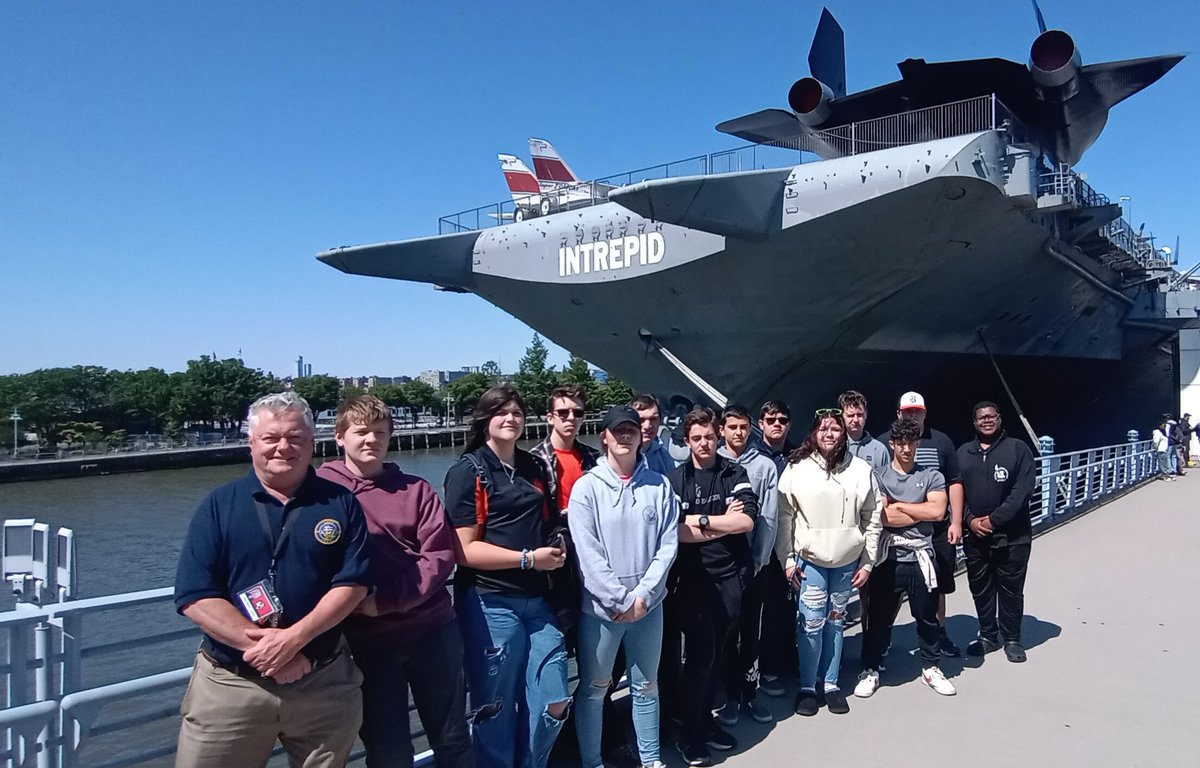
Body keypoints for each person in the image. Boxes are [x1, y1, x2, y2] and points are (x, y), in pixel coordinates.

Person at [174, 392, 370, 768]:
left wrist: (295, 641)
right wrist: (274, 654)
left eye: (296, 438)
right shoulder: (218, 505)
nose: (284, 447)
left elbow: (353, 584)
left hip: (321, 681)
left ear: (312, 443)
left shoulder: (341, 503)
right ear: (251, 443)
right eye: (271, 438)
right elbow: (195, 595)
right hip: (231, 684)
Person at [317, 395, 473, 768]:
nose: (371, 440)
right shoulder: (320, 492)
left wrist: (383, 600)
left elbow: (438, 558)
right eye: (361, 432)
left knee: (452, 737)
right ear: (339, 437)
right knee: (388, 750)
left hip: (432, 632)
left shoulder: (416, 490)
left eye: (380, 432)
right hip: (365, 642)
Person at [444, 386, 571, 768]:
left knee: (554, 698)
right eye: (501, 412)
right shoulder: (469, 471)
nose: (510, 418)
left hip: (538, 602)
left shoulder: (533, 467)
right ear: (485, 419)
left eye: (517, 412)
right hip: (490, 602)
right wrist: (529, 559)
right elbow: (463, 550)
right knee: (495, 707)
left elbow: (549, 520)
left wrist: (558, 543)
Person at [568, 405, 679, 768]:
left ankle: (650, 759)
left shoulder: (659, 485)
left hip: (649, 607)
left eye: (631, 429)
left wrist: (644, 595)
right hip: (601, 610)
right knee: (595, 689)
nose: (626, 435)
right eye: (618, 430)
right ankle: (592, 761)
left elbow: (667, 545)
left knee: (647, 686)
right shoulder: (586, 489)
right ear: (605, 436)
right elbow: (588, 552)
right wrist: (618, 598)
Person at [666, 407, 759, 767]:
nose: (703, 444)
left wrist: (701, 521)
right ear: (686, 440)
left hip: (730, 578)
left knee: (718, 654)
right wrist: (721, 520)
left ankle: (705, 722)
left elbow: (746, 520)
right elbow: (674, 531)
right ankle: (689, 735)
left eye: (708, 437)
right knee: (700, 658)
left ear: (718, 435)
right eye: (696, 438)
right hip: (693, 583)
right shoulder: (675, 480)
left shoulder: (735, 472)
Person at [776, 408, 882, 716]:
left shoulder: (861, 470)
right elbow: (785, 517)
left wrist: (867, 562)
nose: (829, 434)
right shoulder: (796, 468)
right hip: (810, 560)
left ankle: (831, 684)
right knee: (810, 624)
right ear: (813, 433)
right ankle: (808, 686)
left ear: (844, 433)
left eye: (835, 428)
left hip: (847, 560)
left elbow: (872, 517)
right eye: (823, 428)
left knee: (836, 622)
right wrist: (787, 559)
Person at [855, 418, 957, 698]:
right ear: (892, 444)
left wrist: (900, 506)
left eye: (911, 442)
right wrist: (918, 507)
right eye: (901, 442)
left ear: (918, 443)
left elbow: (938, 513)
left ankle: (931, 667)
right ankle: (871, 668)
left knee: (926, 617)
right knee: (878, 616)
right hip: (889, 558)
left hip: (921, 556)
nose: (906, 448)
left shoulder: (933, 475)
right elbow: (883, 515)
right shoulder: (879, 476)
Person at [958, 401, 1037, 664]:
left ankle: (1012, 638)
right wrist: (969, 520)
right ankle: (988, 635)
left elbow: (1022, 491)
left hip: (1013, 537)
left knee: (1011, 589)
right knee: (980, 588)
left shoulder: (1018, 449)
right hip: (975, 538)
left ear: (1000, 418)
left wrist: (993, 521)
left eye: (992, 416)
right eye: (981, 417)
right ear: (974, 422)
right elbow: (956, 492)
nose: (987, 421)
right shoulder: (963, 453)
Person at [715, 404, 778, 726]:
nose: (738, 433)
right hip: (721, 567)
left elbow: (767, 517)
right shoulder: (713, 464)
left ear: (750, 428)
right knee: (726, 632)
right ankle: (729, 694)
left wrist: (760, 559)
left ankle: (751, 691)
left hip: (753, 566)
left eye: (743, 427)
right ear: (722, 430)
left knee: (751, 632)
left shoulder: (765, 467)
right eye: (732, 427)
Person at [896, 391, 964, 657]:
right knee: (891, 589)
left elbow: (954, 481)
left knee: (938, 585)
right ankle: (882, 637)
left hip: (936, 531)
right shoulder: (886, 443)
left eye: (917, 411)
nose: (913, 415)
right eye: (908, 412)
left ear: (924, 413)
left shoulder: (942, 442)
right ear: (899, 413)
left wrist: (956, 521)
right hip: (899, 533)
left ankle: (940, 631)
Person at [753, 399, 799, 698]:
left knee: (789, 606)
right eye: (771, 420)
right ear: (761, 424)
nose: (777, 424)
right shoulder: (754, 458)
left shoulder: (797, 455)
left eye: (782, 420)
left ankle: (787, 660)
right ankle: (766, 667)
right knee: (765, 610)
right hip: (765, 545)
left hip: (793, 541)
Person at [530, 384, 601, 515]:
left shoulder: (594, 457)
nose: (571, 418)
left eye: (577, 413)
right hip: (555, 531)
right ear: (550, 418)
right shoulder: (534, 459)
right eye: (563, 413)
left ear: (583, 418)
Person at [838, 390, 889, 470]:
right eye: (850, 415)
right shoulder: (835, 447)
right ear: (842, 417)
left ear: (866, 414)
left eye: (859, 415)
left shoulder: (879, 450)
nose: (856, 420)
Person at [632, 393, 677, 476]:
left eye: (653, 419)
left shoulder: (664, 456)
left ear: (660, 420)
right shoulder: (621, 456)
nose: (647, 426)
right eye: (641, 420)